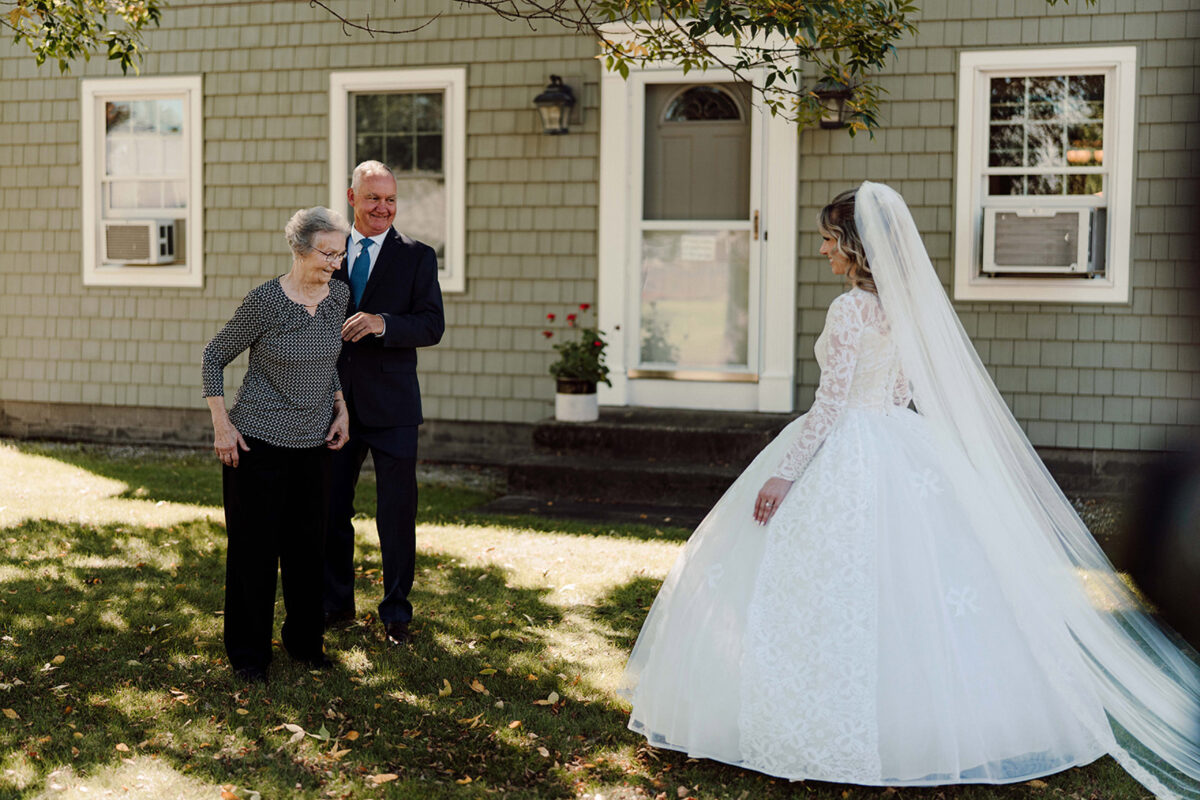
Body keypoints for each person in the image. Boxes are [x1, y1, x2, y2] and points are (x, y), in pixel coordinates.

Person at [620, 182, 1200, 796]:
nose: (821, 251)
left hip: (849, 442)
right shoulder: (908, 306)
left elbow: (829, 406)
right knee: (913, 583)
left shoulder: (848, 310)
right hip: (901, 440)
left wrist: (785, 472)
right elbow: (899, 394)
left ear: (853, 246)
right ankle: (933, 718)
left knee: (829, 584)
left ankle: (817, 716)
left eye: (826, 240)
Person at [202, 206, 352, 684]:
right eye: (327, 254)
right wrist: (222, 424)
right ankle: (248, 655)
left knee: (310, 549)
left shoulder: (338, 298)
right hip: (258, 444)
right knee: (255, 551)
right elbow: (213, 356)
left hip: (314, 445)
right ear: (299, 249)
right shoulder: (266, 301)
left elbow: (325, 359)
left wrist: (341, 405)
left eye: (340, 254)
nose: (335, 263)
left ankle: (304, 644)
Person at [323, 160, 445, 646]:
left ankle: (397, 614)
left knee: (396, 514)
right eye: (374, 198)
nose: (384, 207)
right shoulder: (326, 249)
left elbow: (431, 326)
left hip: (393, 407)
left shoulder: (417, 256)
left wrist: (383, 323)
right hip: (331, 404)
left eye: (391, 199)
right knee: (332, 508)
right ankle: (335, 605)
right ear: (352, 198)